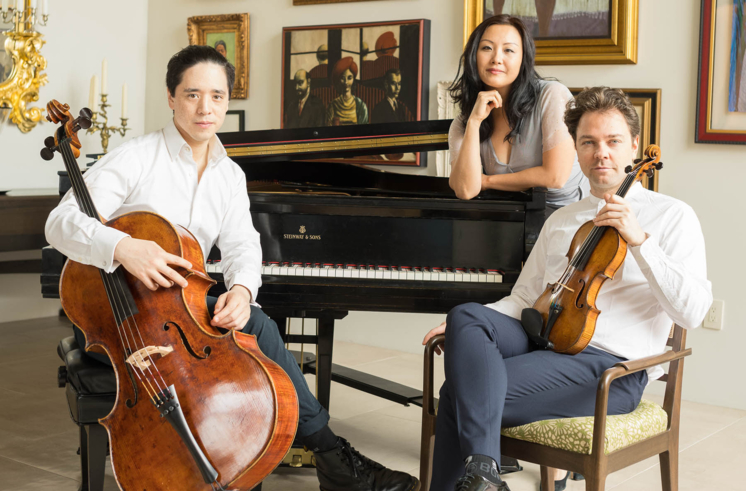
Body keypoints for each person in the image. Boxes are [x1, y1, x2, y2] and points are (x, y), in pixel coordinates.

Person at [45, 45, 419, 491]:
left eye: (217, 96)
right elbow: (60, 222)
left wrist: (241, 290)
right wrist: (124, 247)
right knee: (260, 329)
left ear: (227, 101)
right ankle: (333, 458)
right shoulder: (136, 157)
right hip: (118, 318)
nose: (205, 108)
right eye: (192, 95)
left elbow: (243, 244)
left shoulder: (229, 176)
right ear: (171, 97)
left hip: (180, 314)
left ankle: (259, 457)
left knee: (249, 322)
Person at [421, 86, 712, 491]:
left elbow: (692, 312)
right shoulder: (562, 219)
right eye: (588, 142)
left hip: (610, 369)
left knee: (458, 391)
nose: (601, 153)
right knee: (465, 315)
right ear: (576, 149)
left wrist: (640, 241)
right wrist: (461, 328)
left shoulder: (672, 216)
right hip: (545, 344)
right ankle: (485, 474)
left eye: (612, 141)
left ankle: (480, 475)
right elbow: (524, 298)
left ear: (634, 145)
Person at [448, 15, 588, 218]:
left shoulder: (552, 95)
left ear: (523, 58)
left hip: (573, 219)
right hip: (513, 220)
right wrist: (474, 122)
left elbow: (555, 177)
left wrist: (486, 181)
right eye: (487, 48)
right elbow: (466, 190)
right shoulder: (465, 122)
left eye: (509, 50)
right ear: (473, 55)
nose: (496, 58)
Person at [326, 56, 368, 126]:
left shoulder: (361, 106)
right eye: (342, 78)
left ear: (353, 79)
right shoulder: (333, 105)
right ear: (339, 80)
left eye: (349, 78)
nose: (346, 82)